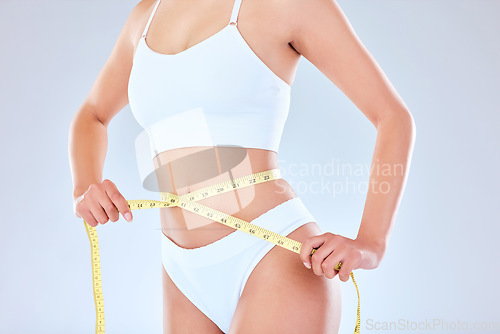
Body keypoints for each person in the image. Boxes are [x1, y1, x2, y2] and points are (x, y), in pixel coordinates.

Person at [69, 0, 415, 333]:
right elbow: (92, 115)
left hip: (273, 256)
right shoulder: (146, 15)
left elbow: (394, 118)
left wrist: (371, 242)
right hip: (181, 270)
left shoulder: (288, 5)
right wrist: (85, 185)